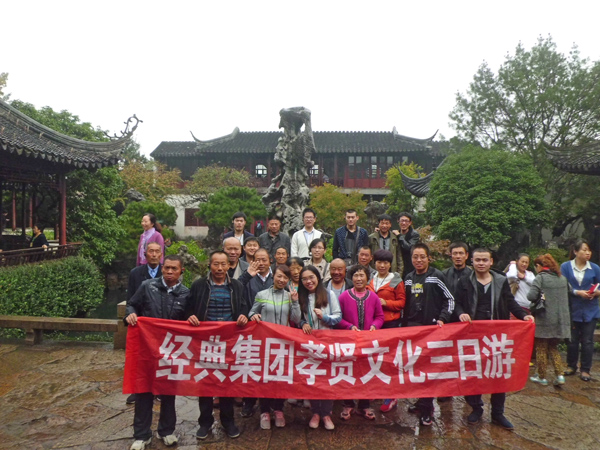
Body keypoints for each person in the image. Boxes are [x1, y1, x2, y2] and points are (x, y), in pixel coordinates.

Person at [455, 248, 535, 430]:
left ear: (491, 262)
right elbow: (457, 303)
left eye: (484, 260)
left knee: (499, 373)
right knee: (474, 373)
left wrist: (523, 316)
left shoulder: (500, 280)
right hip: (473, 335)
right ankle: (476, 408)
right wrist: (461, 313)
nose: (481, 263)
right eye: (477, 260)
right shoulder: (464, 281)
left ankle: (498, 413)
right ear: (472, 261)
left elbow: (510, 301)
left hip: (497, 336)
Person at [124, 255, 189, 450]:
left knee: (168, 392)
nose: (169, 272)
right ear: (162, 268)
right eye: (167, 268)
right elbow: (132, 304)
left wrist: (192, 319)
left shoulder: (186, 293)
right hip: (148, 348)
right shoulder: (147, 286)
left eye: (174, 269)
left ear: (181, 271)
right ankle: (141, 435)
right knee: (144, 391)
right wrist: (130, 313)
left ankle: (166, 431)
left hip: (171, 351)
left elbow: (189, 317)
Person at [185, 250, 249, 440]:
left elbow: (243, 306)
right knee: (205, 383)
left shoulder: (236, 286)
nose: (220, 268)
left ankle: (228, 422)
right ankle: (205, 423)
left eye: (223, 264)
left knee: (226, 383)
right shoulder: (198, 285)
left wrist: (243, 315)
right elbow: (188, 307)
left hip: (228, 341)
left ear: (229, 265)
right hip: (205, 341)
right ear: (209, 265)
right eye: (216, 264)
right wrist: (190, 316)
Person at [403, 243, 454, 426]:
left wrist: (443, 318)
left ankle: (427, 410)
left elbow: (450, 299)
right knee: (417, 369)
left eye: (422, 257)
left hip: (431, 330)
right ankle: (421, 402)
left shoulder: (436, 276)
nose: (418, 260)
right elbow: (405, 303)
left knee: (429, 370)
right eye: (415, 257)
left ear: (428, 258)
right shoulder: (408, 278)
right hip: (413, 330)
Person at [249, 265, 299, 430]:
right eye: (279, 276)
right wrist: (253, 316)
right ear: (273, 276)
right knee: (265, 377)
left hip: (283, 344)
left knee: (281, 378)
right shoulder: (262, 295)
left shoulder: (289, 296)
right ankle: (264, 411)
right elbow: (251, 312)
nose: (281, 280)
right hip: (265, 343)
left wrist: (295, 302)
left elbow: (296, 319)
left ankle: (278, 409)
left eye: (285, 278)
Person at [293, 265, 341, 430]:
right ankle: (315, 412)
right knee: (312, 378)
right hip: (310, 344)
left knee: (327, 378)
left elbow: (338, 316)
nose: (308, 281)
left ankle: (326, 414)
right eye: (304, 279)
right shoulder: (301, 296)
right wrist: (303, 323)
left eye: (311, 277)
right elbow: (297, 318)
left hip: (327, 343)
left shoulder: (329, 294)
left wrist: (325, 317)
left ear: (318, 278)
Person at [336, 264, 384, 421]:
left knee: (366, 373)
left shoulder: (373, 297)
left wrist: (374, 326)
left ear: (367, 278)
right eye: (355, 275)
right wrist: (349, 326)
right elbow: (338, 318)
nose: (358, 278)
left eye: (362, 275)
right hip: (349, 342)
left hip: (368, 342)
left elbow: (380, 316)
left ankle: (364, 405)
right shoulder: (344, 296)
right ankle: (348, 404)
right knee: (349, 372)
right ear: (351, 278)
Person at [367, 249, 406, 413]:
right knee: (375, 359)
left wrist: (386, 303)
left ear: (390, 264)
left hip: (390, 324)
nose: (382, 265)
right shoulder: (371, 278)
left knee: (390, 360)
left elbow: (402, 303)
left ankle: (392, 395)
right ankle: (377, 390)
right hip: (374, 324)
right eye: (379, 262)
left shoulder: (396, 280)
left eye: (385, 263)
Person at [125, 241, 163, 405]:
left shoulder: (168, 271)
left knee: (161, 357)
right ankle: (138, 390)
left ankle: (160, 389)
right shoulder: (136, 273)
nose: (154, 254)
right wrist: (130, 314)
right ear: (145, 254)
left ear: (161, 254)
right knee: (140, 358)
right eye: (151, 251)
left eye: (157, 251)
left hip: (161, 321)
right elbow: (131, 299)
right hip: (143, 322)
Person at [528, 254, 571, 386]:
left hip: (544, 319)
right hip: (560, 320)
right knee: (553, 347)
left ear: (539, 266)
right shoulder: (562, 278)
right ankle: (560, 376)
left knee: (541, 347)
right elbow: (570, 292)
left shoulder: (540, 278)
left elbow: (531, 296)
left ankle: (541, 376)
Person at [560, 239, 600, 381]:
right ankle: (571, 366)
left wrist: (597, 292)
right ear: (575, 251)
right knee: (572, 340)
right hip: (572, 308)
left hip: (590, 309)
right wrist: (577, 292)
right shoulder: (566, 267)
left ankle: (585, 369)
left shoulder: (594, 268)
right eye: (584, 250)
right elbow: (563, 285)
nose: (588, 253)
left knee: (587, 341)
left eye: (589, 250)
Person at [392, 212, 420, 278]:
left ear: (410, 223)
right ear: (398, 221)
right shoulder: (395, 234)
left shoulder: (414, 235)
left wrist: (399, 236)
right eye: (402, 221)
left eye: (406, 221)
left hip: (410, 265)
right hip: (398, 265)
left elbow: (409, 248)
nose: (404, 223)